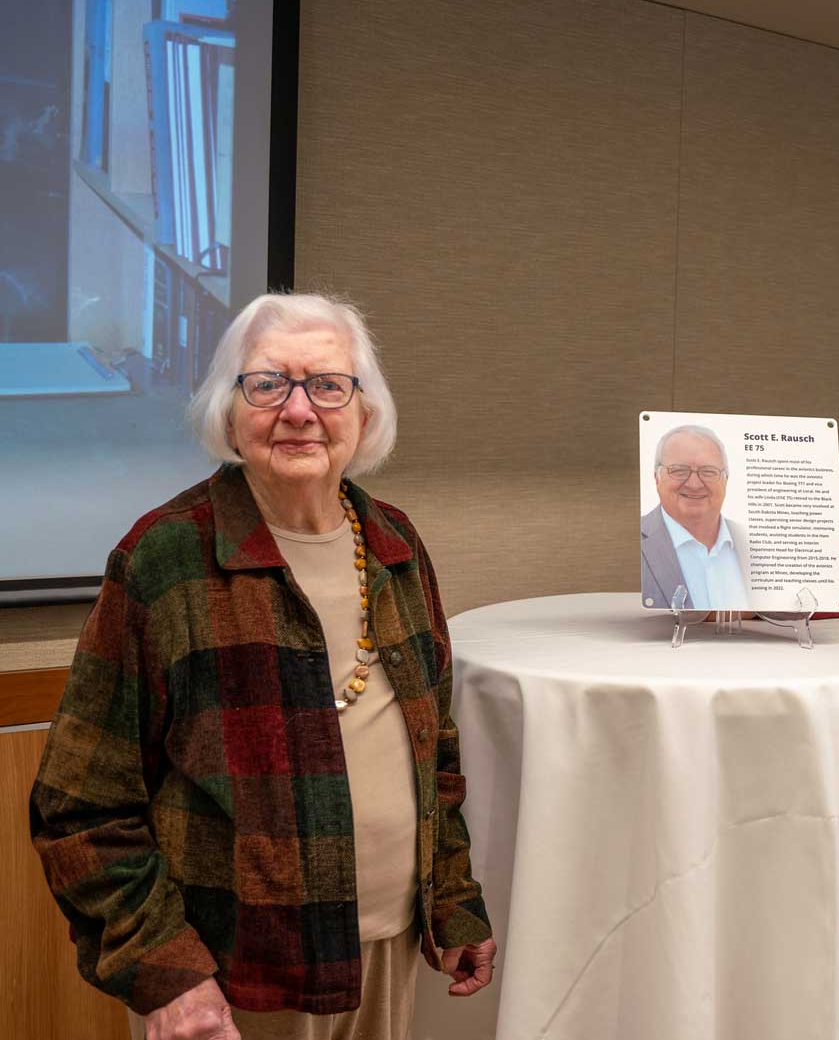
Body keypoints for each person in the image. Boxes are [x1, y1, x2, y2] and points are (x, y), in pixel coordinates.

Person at [30, 294, 495, 1040]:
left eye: (327, 385)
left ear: (364, 414)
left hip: (385, 952)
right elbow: (80, 806)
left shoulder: (393, 543)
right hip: (233, 979)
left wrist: (452, 901)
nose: (300, 410)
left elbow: (434, 752)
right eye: (269, 383)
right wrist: (168, 974)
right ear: (229, 409)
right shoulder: (165, 558)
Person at [641, 424, 749, 610]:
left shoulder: (757, 543)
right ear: (656, 478)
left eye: (708, 471)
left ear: (726, 480)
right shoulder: (630, 544)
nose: (694, 484)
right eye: (679, 470)